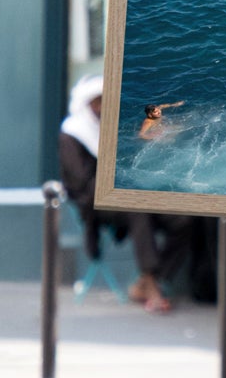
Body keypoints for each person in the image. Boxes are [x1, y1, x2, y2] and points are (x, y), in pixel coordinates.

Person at [58, 76, 179, 314]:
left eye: (107, 100)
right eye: (98, 101)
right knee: (136, 207)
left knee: (185, 218)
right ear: (88, 104)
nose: (103, 107)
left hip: (134, 194)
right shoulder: (72, 134)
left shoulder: (116, 125)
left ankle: (148, 279)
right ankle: (152, 286)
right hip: (96, 205)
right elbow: (83, 184)